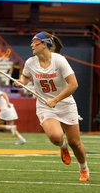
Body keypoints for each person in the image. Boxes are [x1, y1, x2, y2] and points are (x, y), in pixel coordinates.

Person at [14, 31, 89, 181]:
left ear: (44, 44)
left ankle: (83, 168)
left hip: (65, 104)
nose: (31, 45)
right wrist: (22, 81)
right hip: (44, 106)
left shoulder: (59, 60)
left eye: (34, 41)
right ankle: (62, 146)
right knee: (55, 137)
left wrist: (55, 100)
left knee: (75, 143)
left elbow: (73, 84)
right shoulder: (30, 62)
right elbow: (26, 76)